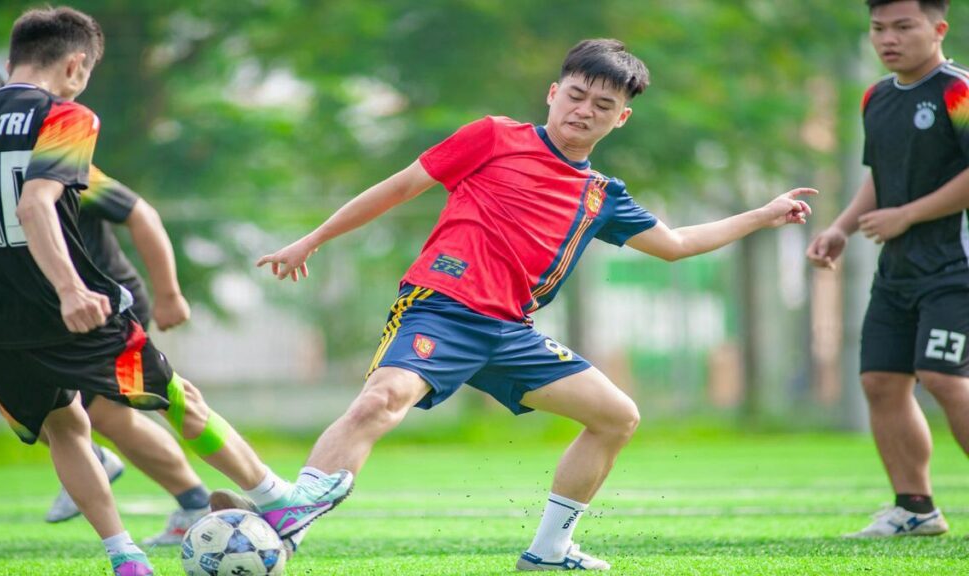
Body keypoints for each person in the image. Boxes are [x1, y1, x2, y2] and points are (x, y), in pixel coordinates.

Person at [218, 38, 814, 571]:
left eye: (602, 106)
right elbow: (401, 186)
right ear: (554, 93)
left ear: (621, 118)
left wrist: (763, 215)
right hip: (440, 306)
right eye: (576, 96)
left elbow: (677, 245)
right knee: (382, 398)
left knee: (618, 416)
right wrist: (313, 238)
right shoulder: (492, 136)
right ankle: (282, 523)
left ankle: (550, 551)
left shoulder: (601, 195)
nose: (584, 111)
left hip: (509, 332)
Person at [0, 8, 351, 574]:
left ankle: (125, 557)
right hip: (71, 313)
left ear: (12, 57)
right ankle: (280, 502)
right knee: (178, 397)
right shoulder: (64, 115)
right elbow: (34, 203)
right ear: (76, 65)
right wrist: (68, 289)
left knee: (66, 427)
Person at [0, 66, 209, 545]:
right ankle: (171, 490)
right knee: (42, 409)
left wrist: (169, 292)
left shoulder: (59, 156)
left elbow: (141, 213)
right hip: (37, 312)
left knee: (108, 414)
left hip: (102, 303)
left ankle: (210, 499)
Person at [807, 0, 968, 538]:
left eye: (904, 26)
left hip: (955, 266)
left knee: (945, 378)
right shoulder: (875, 97)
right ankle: (915, 509)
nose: (888, 39)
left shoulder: (959, 92)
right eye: (879, 28)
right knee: (880, 381)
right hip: (897, 270)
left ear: (938, 28)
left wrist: (909, 215)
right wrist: (841, 228)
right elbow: (880, 175)